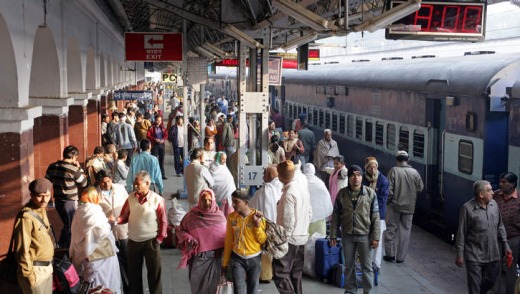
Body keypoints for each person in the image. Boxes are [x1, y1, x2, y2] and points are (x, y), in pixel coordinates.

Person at [330, 165, 381, 294]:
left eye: (359, 175)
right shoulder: (342, 194)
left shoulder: (370, 194)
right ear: (349, 177)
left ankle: (368, 291)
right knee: (349, 266)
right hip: (347, 235)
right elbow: (335, 216)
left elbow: (375, 216)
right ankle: (350, 291)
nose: (356, 178)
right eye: (353, 175)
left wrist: (375, 237)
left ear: (362, 177)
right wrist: (333, 235)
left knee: (367, 267)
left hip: (365, 235)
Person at [455, 180, 511, 294]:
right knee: (474, 286)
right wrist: (459, 254)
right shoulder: (467, 208)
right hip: (474, 255)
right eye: (489, 190)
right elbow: (461, 233)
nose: (493, 192)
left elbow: (500, 226)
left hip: (493, 255)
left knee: (490, 281)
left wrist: (506, 245)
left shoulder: (494, 205)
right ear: (481, 194)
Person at [118, 171, 168, 294]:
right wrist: (114, 220)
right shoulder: (130, 198)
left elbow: (163, 221)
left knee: (154, 274)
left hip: (151, 241)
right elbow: (124, 216)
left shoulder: (157, 199)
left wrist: (159, 239)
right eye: (135, 183)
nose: (135, 186)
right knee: (134, 275)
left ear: (147, 183)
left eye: (138, 184)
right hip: (133, 241)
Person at [70, 187, 121, 292]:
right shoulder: (94, 210)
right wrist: (111, 222)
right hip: (102, 255)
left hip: (88, 254)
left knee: (94, 283)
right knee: (108, 280)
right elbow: (101, 231)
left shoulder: (79, 210)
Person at [176, 189, 227, 294]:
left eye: (209, 200)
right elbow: (180, 230)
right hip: (199, 257)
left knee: (215, 287)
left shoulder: (220, 216)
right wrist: (188, 238)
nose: (207, 203)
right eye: (204, 200)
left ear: (213, 200)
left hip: (217, 257)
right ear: (200, 200)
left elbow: (225, 236)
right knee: (197, 286)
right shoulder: (192, 215)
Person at [273, 160, 312, 294]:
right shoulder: (302, 188)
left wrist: (283, 239)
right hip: (302, 236)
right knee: (296, 273)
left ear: (281, 176)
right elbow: (309, 212)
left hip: (290, 239)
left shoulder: (288, 193)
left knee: (280, 272)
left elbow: (288, 220)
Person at [222, 189, 267, 294]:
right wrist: (224, 264)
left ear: (246, 202)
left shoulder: (258, 217)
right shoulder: (231, 218)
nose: (233, 204)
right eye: (232, 201)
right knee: (239, 290)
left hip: (254, 259)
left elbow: (263, 240)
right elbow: (229, 241)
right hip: (237, 258)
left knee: (253, 290)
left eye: (236, 201)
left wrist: (257, 226)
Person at [13, 179, 54, 294]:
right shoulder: (26, 217)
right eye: (41, 196)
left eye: (47, 195)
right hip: (35, 271)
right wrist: (29, 275)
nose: (44, 200)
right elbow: (22, 249)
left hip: (46, 268)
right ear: (31, 195)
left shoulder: (41, 209)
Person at [384, 150, 424, 263]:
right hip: (409, 207)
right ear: (407, 160)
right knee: (405, 232)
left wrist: (386, 202)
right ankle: (400, 258)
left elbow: (389, 191)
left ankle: (390, 255)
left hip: (394, 206)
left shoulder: (393, 171)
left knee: (391, 230)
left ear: (397, 160)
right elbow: (420, 187)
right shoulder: (415, 172)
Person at [45, 145, 88, 248]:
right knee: (71, 225)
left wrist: (49, 197)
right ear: (74, 157)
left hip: (58, 200)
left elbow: (46, 182)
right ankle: (64, 247)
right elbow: (84, 183)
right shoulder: (73, 169)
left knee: (67, 224)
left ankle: (63, 245)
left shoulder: (52, 166)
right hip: (70, 201)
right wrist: (79, 169)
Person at [96, 169, 130, 294]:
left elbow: (128, 205)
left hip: (123, 233)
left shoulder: (120, 189)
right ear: (99, 182)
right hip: (107, 236)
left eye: (109, 181)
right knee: (110, 269)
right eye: (103, 182)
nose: (106, 185)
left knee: (127, 267)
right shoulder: (96, 195)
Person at [362, 156, 389, 283]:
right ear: (366, 168)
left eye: (375, 167)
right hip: (364, 216)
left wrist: (371, 209)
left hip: (378, 217)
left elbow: (382, 200)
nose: (373, 169)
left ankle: (376, 266)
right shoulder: (362, 179)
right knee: (365, 241)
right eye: (370, 167)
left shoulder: (383, 181)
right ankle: (366, 265)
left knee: (377, 243)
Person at [492, 172, 520, 294]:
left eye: (504, 182)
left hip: (512, 239)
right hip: (496, 239)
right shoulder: (495, 196)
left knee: (510, 269)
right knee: (495, 268)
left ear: (512, 184)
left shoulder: (519, 199)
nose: (501, 184)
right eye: (500, 182)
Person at [302, 163, 333, 236]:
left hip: (303, 218)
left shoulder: (300, 182)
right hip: (319, 218)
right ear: (314, 171)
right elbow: (326, 197)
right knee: (318, 242)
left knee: (302, 242)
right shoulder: (319, 182)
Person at [209, 152, 235, 216]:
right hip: (219, 194)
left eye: (225, 159)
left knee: (229, 212)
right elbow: (212, 180)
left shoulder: (224, 167)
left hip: (228, 193)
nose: (225, 161)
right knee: (220, 212)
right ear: (218, 158)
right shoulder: (213, 167)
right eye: (223, 159)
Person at [147, 114, 168, 180]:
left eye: (160, 120)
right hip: (154, 145)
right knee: (154, 161)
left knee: (161, 161)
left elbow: (166, 135)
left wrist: (163, 140)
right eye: (157, 120)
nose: (159, 121)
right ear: (155, 120)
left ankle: (162, 174)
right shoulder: (151, 127)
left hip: (161, 145)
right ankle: (153, 175)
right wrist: (154, 139)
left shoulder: (162, 127)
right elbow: (148, 135)